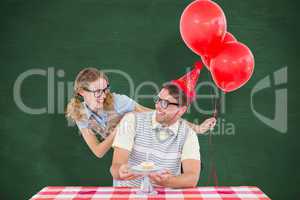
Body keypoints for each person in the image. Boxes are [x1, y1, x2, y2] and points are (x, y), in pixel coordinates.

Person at [66, 67, 216, 158]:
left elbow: (158, 115)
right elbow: (98, 151)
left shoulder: (119, 102)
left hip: (155, 145)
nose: (104, 95)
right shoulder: (80, 113)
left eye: (105, 89)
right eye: (98, 91)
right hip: (130, 156)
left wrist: (198, 128)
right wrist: (120, 128)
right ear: (81, 92)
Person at [110, 63, 214, 188]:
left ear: (181, 110)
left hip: (164, 195)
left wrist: (168, 181)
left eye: (165, 103)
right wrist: (120, 171)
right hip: (129, 193)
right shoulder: (131, 121)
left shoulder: (188, 135)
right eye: (158, 99)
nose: (158, 106)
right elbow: (115, 168)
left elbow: (192, 178)